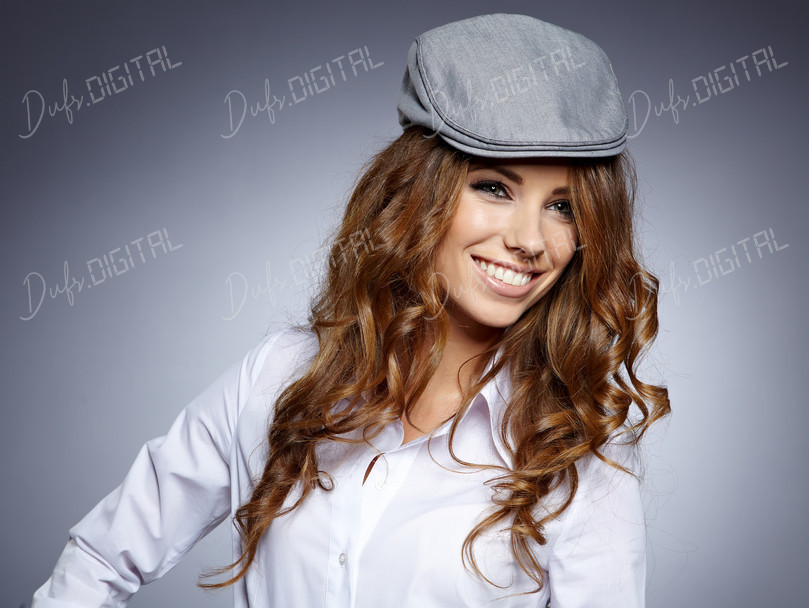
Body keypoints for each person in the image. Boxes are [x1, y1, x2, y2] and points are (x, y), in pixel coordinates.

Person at [33, 13, 670, 608]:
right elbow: (98, 557)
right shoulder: (280, 376)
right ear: (418, 195)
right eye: (494, 187)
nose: (530, 241)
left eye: (563, 206)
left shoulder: (580, 450)